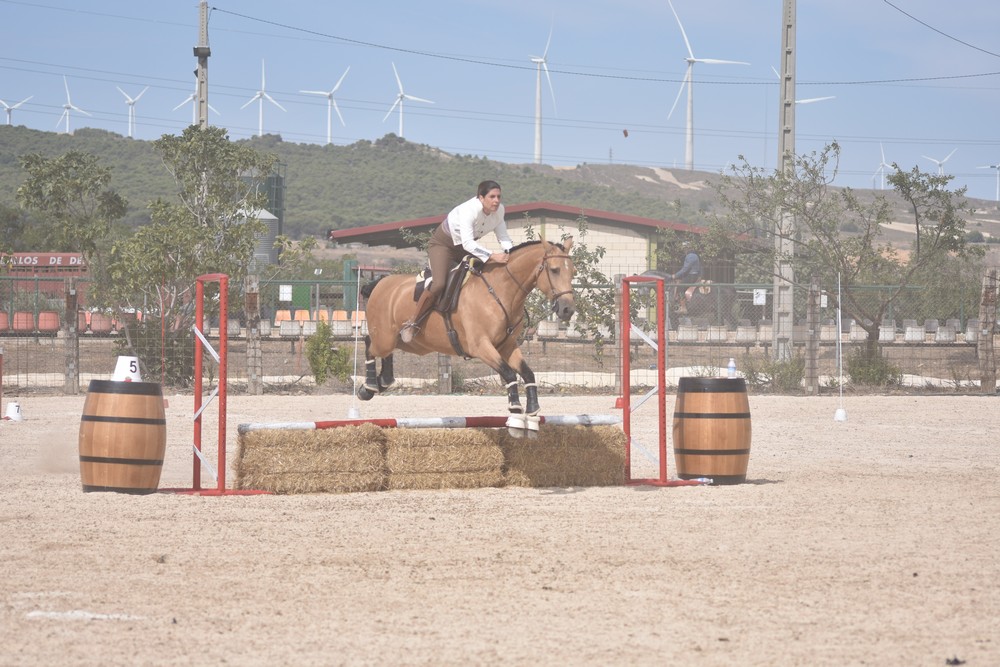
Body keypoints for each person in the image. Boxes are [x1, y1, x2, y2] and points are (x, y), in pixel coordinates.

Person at [399, 180, 514, 342]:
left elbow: (503, 237)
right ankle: (412, 322)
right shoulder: (469, 210)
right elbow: (468, 243)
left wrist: (510, 253)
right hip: (444, 245)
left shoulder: (500, 211)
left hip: (466, 248)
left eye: (499, 197)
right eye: (492, 197)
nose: (496, 200)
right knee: (439, 284)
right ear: (481, 198)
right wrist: (493, 255)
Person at [671, 244, 702, 313]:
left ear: (687, 249)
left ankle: (683, 307)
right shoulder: (695, 256)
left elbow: (685, 269)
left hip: (691, 276)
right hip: (694, 276)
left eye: (684, 249)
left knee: (680, 288)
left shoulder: (690, 256)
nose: (683, 250)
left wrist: (675, 275)